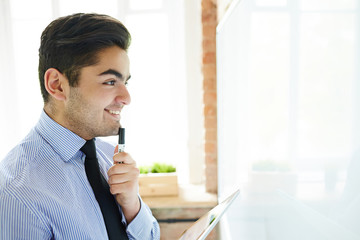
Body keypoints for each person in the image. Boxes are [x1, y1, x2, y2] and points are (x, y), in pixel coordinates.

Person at [0, 13, 160, 239]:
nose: (126, 97)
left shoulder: (107, 158)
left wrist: (132, 205)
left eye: (125, 82)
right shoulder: (17, 193)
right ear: (57, 85)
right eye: (110, 82)